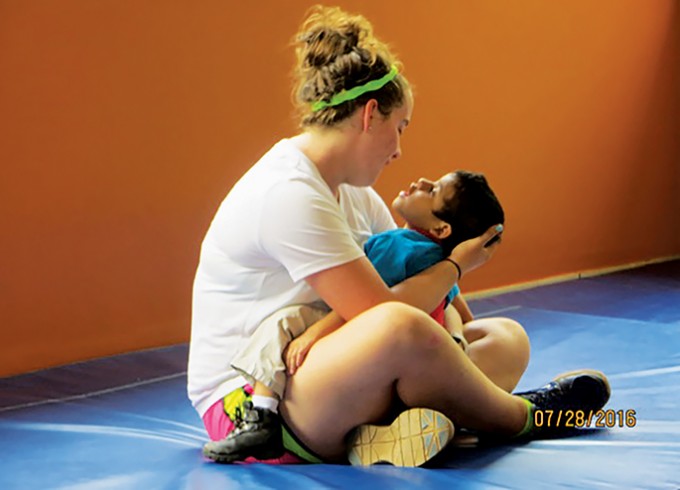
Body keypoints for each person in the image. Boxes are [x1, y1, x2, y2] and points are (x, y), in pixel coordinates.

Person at [189, 5, 610, 467]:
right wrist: (455, 267)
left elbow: (420, 292)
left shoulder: (354, 194)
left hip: (332, 375)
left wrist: (452, 314)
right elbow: (386, 315)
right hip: (258, 400)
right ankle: (523, 416)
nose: (399, 149)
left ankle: (395, 435)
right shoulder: (290, 194)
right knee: (401, 328)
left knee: (504, 336)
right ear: (371, 115)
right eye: (400, 128)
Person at [204, 169, 510, 462]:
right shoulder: (438, 262)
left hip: (379, 350)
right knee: (502, 337)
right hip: (411, 370)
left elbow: (364, 303)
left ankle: (262, 411)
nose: (421, 182)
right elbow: (452, 304)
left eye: (433, 191)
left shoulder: (398, 247)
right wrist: (456, 339)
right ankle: (418, 425)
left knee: (282, 323)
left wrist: (316, 331)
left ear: (442, 229)